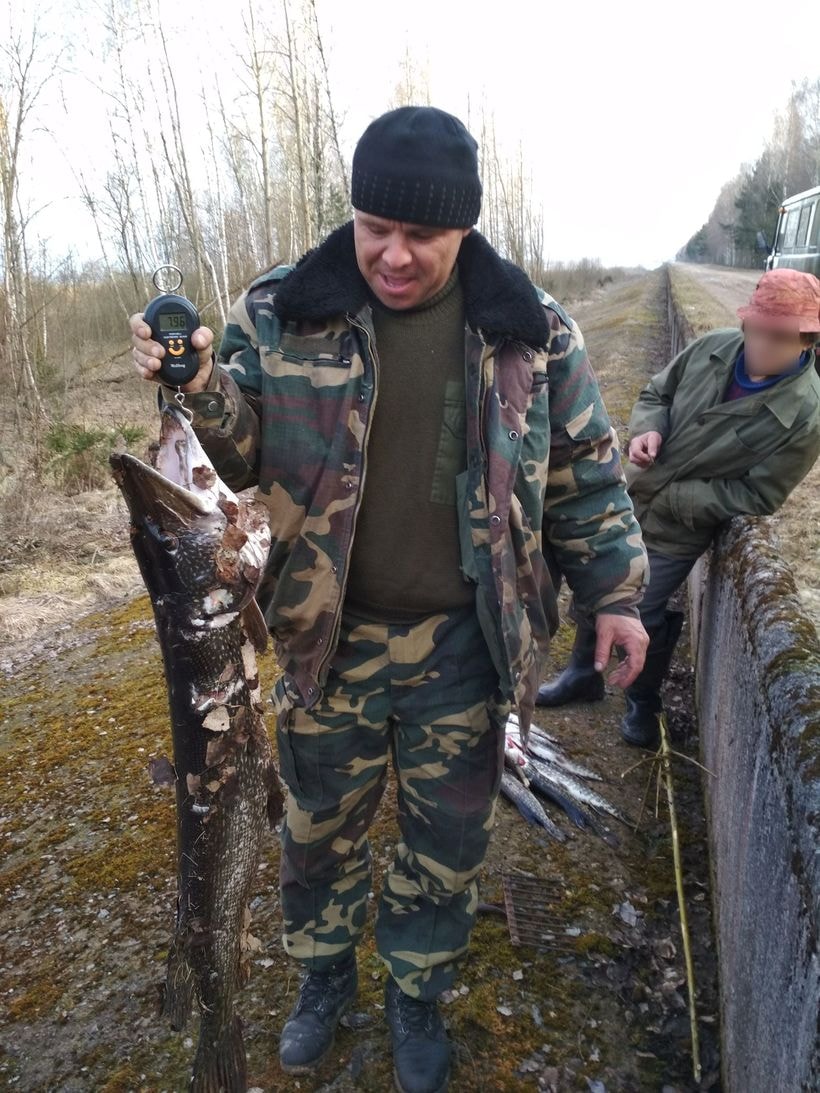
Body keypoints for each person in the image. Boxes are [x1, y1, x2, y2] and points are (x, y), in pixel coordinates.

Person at [130, 106, 648, 1093]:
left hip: (466, 639)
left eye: (422, 236)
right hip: (330, 638)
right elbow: (234, 455)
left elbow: (584, 476)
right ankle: (321, 977)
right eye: (377, 228)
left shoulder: (528, 330)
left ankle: (417, 989)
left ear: (464, 230)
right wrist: (195, 384)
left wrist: (616, 597)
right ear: (354, 212)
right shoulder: (286, 310)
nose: (394, 255)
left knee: (445, 840)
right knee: (315, 826)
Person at [537, 268, 820, 750]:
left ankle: (643, 704)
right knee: (596, 582)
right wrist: (649, 429)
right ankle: (583, 673)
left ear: (809, 340)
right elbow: (656, 393)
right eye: (757, 329)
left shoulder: (807, 413)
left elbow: (761, 494)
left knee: (641, 610)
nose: (762, 345)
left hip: (680, 527)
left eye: (780, 337)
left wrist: (681, 500)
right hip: (630, 494)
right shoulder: (712, 347)